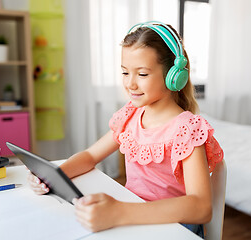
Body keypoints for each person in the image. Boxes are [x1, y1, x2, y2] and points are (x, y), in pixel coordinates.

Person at [28, 21, 223, 238]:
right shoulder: (130, 115)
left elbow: (201, 207)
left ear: (173, 76)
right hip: (133, 218)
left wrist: (120, 212)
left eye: (142, 74)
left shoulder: (187, 129)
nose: (130, 84)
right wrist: (56, 176)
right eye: (124, 72)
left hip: (173, 228)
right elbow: (91, 155)